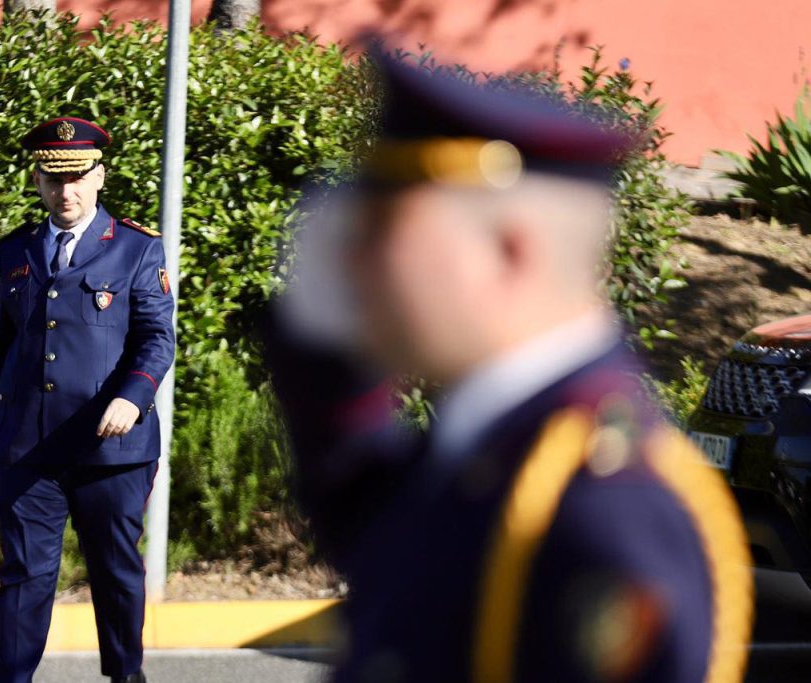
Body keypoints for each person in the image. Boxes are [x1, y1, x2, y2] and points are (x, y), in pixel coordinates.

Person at [264, 50, 754, 682]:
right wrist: (319, 340)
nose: (355, 257)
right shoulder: (494, 441)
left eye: (382, 225)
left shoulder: (602, 504)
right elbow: (360, 505)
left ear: (509, 249)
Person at [0, 116, 175, 683]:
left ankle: (125, 675)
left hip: (111, 448)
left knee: (115, 573)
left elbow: (157, 338)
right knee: (24, 576)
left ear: (99, 177)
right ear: (37, 180)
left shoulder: (136, 249)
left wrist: (133, 397)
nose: (67, 191)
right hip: (26, 447)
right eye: (53, 179)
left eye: (77, 177)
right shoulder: (16, 249)